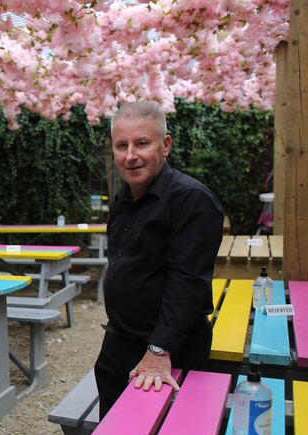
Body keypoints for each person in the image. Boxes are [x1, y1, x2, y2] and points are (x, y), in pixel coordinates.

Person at [95, 101, 224, 418]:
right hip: (117, 345)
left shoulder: (191, 199)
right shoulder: (124, 197)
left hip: (168, 353)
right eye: (121, 145)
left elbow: (189, 281)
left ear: (165, 145)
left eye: (142, 143)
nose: (130, 155)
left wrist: (158, 350)